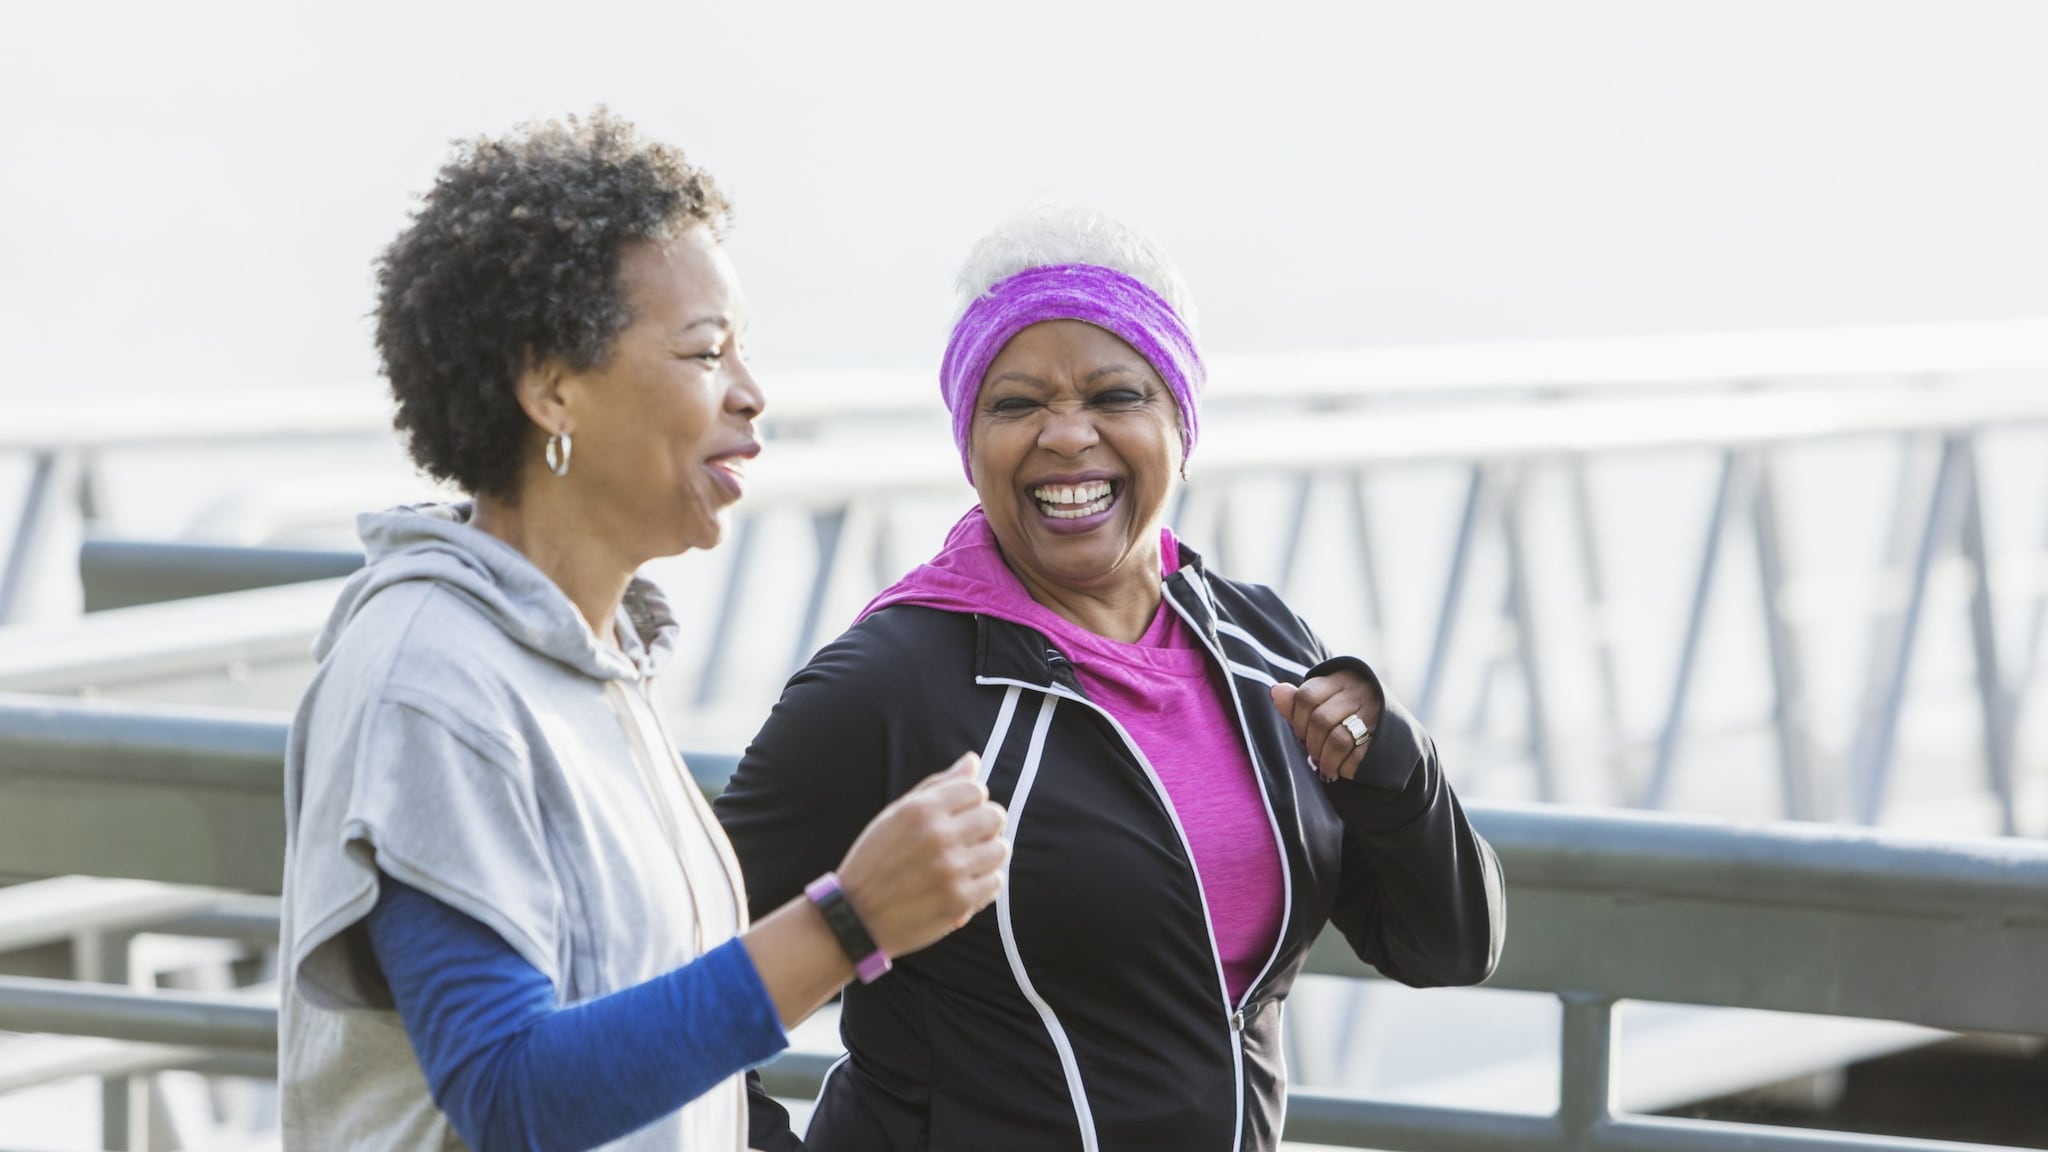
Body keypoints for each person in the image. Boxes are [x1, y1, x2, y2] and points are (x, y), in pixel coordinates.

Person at [278, 111, 1009, 1151]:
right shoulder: (431, 682)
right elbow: (508, 1091)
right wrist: (849, 923)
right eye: (706, 352)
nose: (752, 397)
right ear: (551, 386)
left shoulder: (590, 662)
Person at [715, 207, 1507, 1150]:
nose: (1065, 436)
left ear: (1180, 423)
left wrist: (1396, 767)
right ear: (971, 444)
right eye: (1015, 405)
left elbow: (1447, 945)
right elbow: (672, 978)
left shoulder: (1260, 646)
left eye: (1115, 395)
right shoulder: (889, 683)